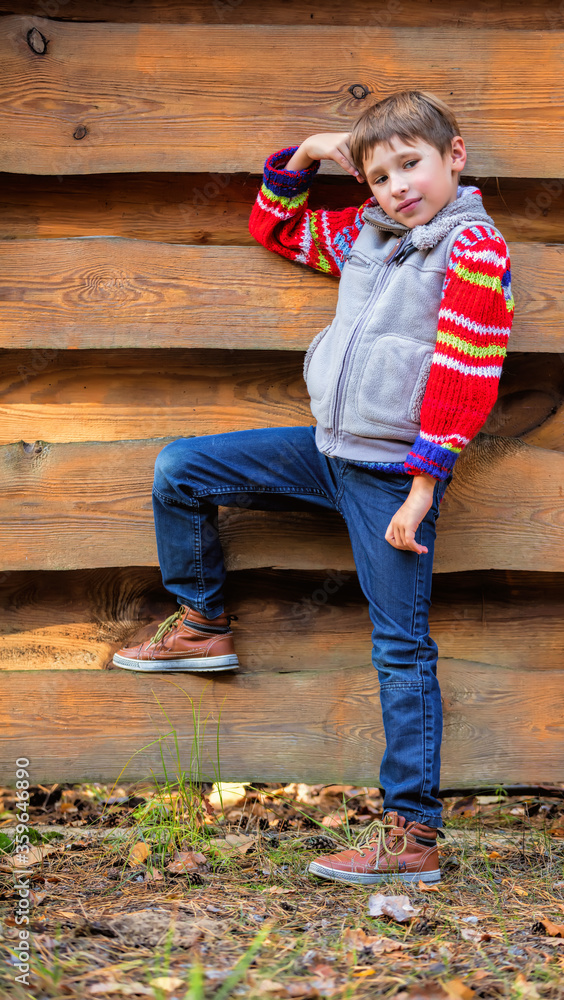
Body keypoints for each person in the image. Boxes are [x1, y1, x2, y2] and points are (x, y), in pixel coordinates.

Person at [113, 90, 515, 885]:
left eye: (412, 164)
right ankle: (203, 621)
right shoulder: (366, 237)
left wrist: (422, 490)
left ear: (454, 157)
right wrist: (303, 153)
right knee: (181, 469)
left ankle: (412, 838)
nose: (398, 186)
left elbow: (465, 375)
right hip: (326, 451)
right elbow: (277, 226)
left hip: (394, 476)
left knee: (401, 648)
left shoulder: (472, 249)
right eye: (379, 176)